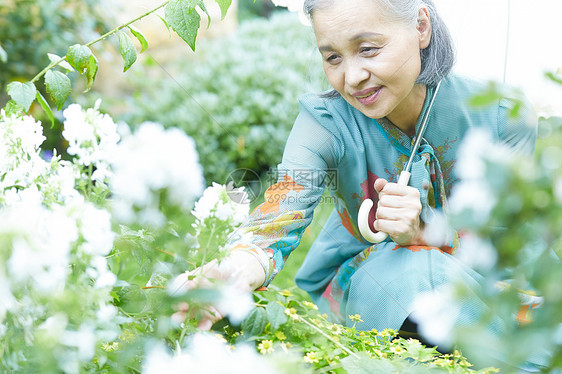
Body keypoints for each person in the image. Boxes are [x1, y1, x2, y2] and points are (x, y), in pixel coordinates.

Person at [174, 0, 537, 335]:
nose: (352, 78)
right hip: (376, 285)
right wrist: (239, 265)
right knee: (410, 271)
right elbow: (281, 210)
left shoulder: (504, 117)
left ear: (421, 27)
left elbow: (508, 246)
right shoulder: (324, 124)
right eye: (332, 57)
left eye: (367, 49)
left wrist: (426, 232)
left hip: (490, 285)